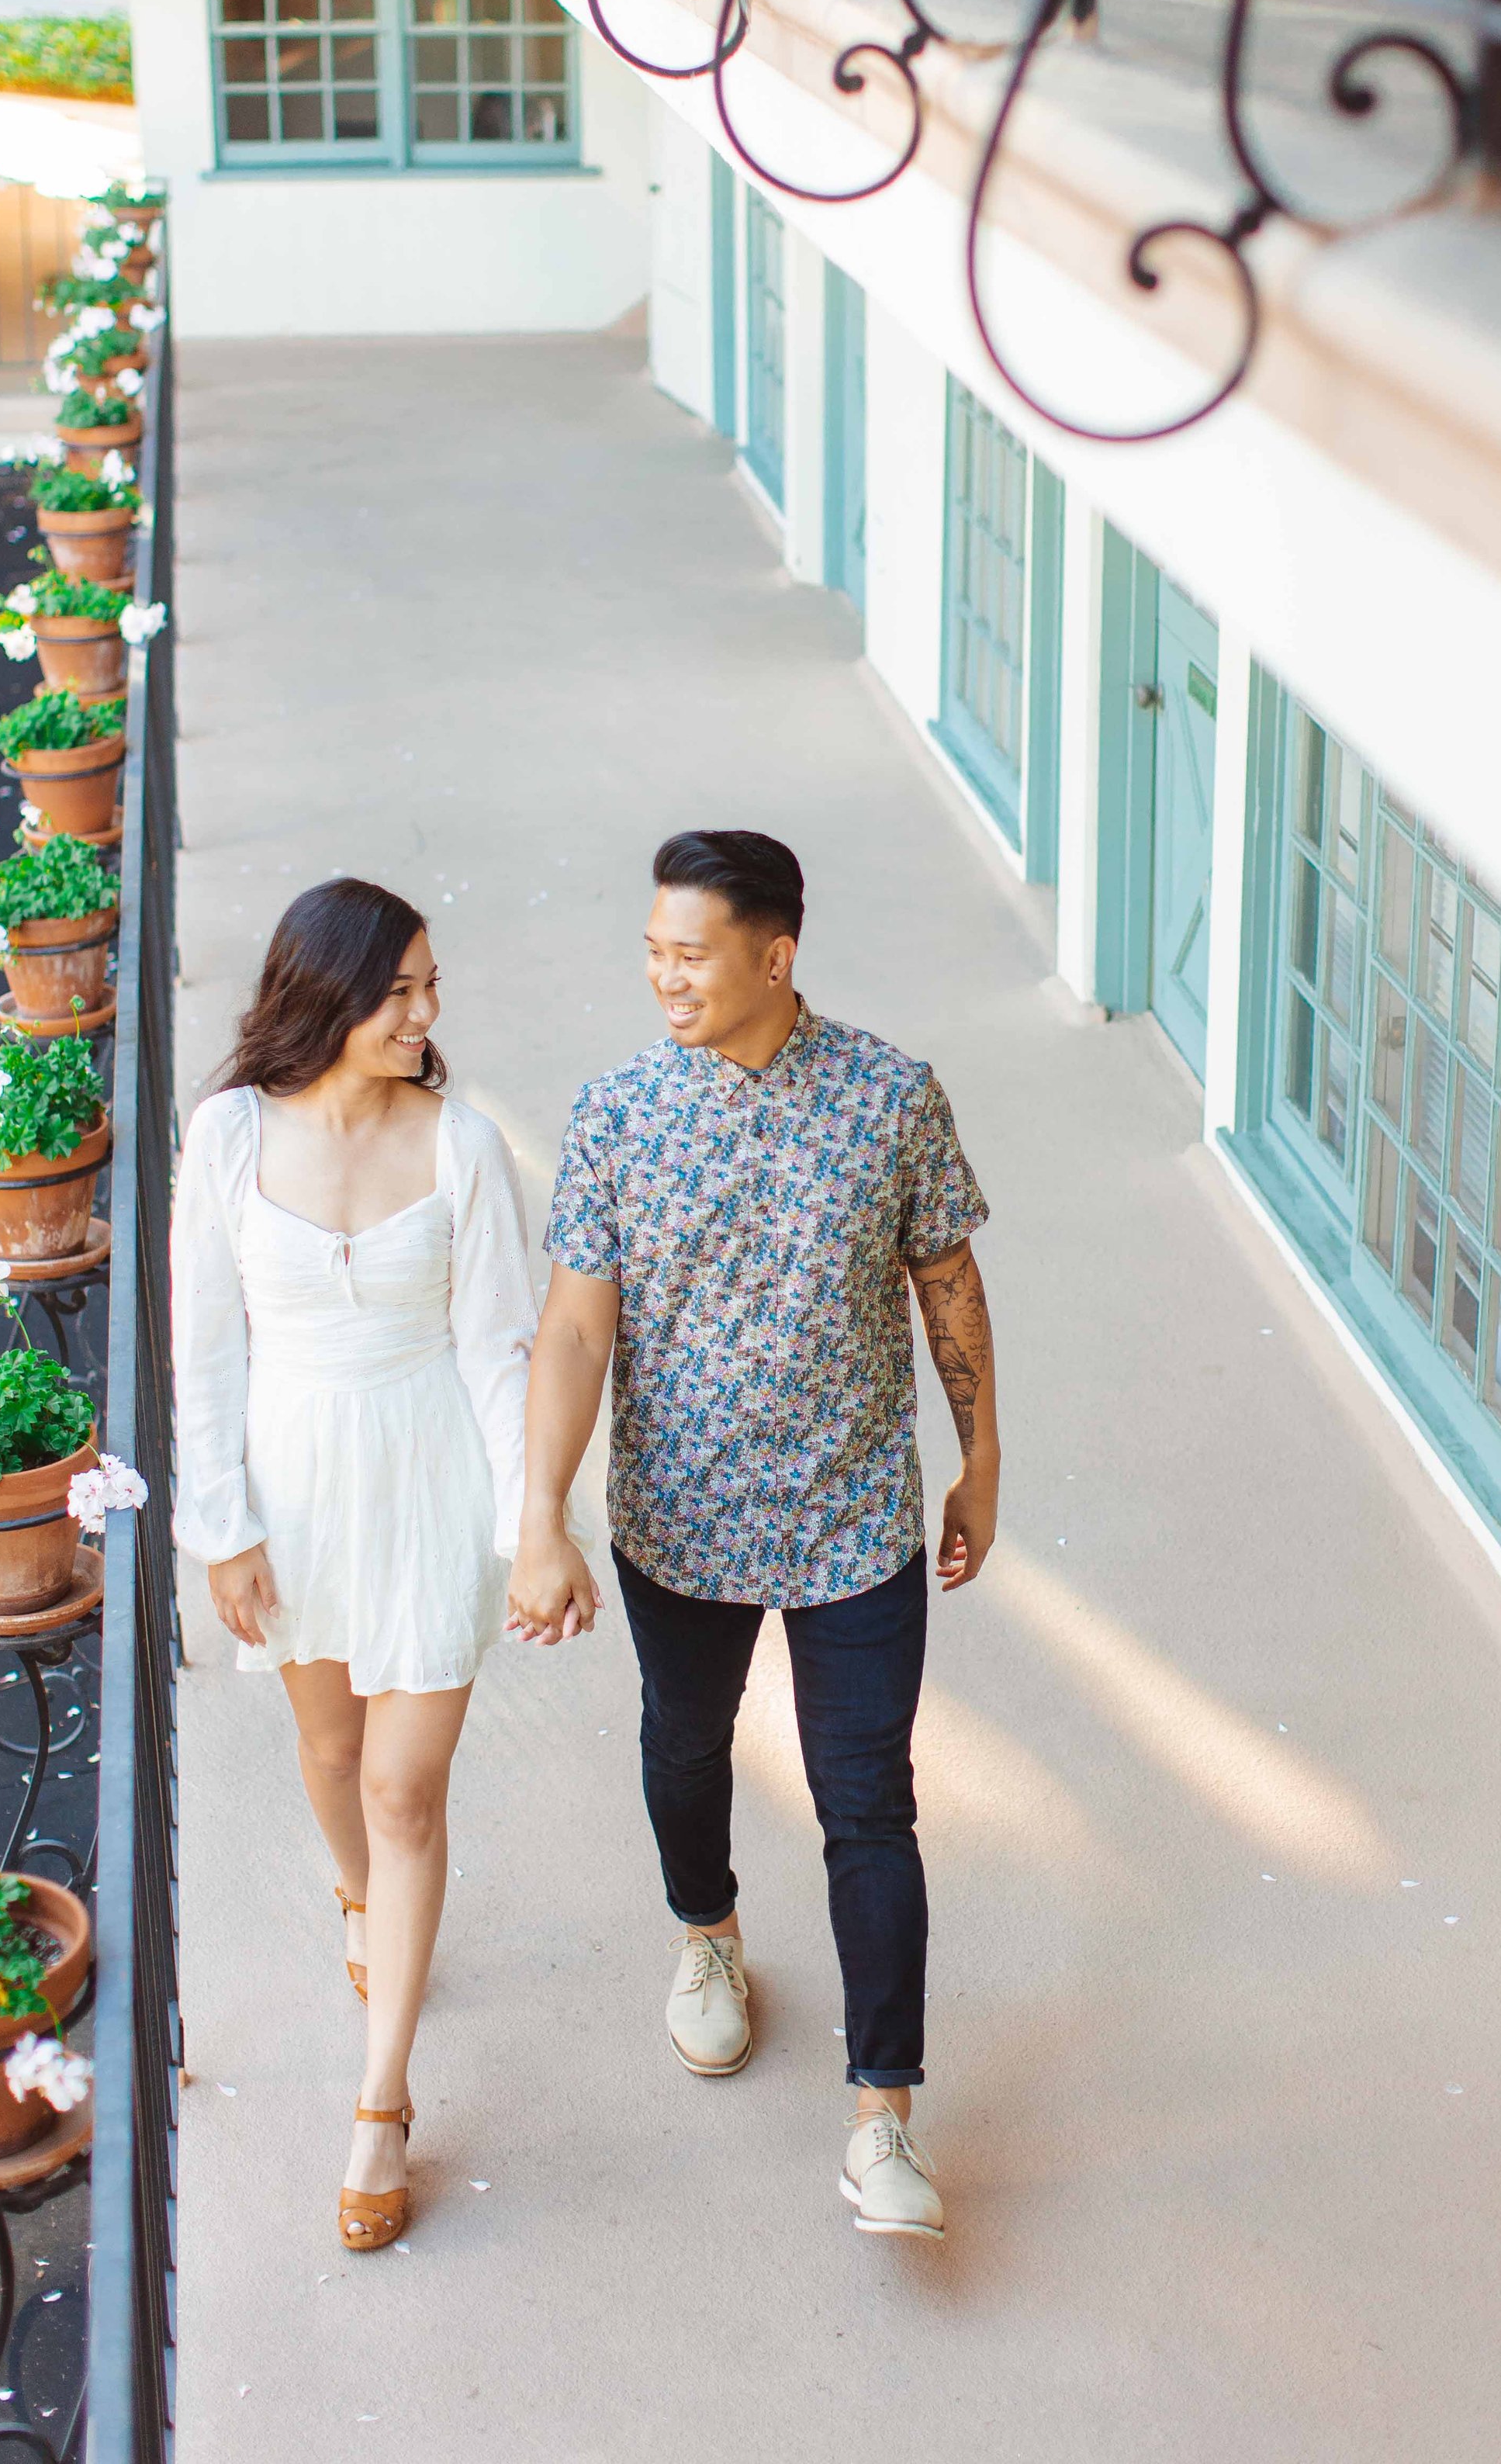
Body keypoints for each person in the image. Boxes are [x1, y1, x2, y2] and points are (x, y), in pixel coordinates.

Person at [509, 828, 998, 2241]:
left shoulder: (893, 1097)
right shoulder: (614, 1115)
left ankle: (884, 2119)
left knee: (870, 1805)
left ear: (774, 955)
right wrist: (540, 1514)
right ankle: (708, 1937)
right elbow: (576, 1328)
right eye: (653, 950)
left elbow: (948, 1282)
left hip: (857, 1524)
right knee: (684, 1744)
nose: (662, 975)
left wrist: (983, 1457)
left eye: (690, 952)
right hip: (681, 1525)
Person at [171, 877, 539, 2255]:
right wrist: (222, 1524)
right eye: (401, 992)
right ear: (322, 995)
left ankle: (381, 2100)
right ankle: (359, 1902)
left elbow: (498, 1352)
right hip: (293, 1486)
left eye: (431, 986)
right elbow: (203, 1345)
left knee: (402, 1780)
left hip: (430, 1478)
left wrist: (528, 1531)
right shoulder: (226, 1136)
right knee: (331, 1754)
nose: (427, 1013)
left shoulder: (463, 1146)